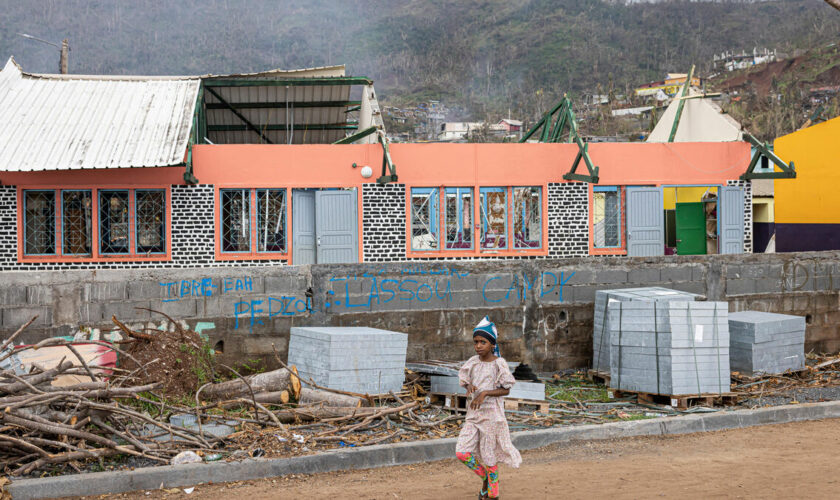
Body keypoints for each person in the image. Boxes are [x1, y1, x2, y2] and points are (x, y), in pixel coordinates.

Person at [455, 317, 522, 499]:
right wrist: (468, 387)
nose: (478, 346)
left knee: (489, 455)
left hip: (492, 416)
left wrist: (484, 393)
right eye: (476, 342)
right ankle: (486, 478)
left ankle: (493, 493)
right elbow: (465, 379)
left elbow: (506, 389)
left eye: (483, 342)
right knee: (461, 452)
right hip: (474, 415)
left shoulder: (499, 363)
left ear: (492, 344)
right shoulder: (473, 362)